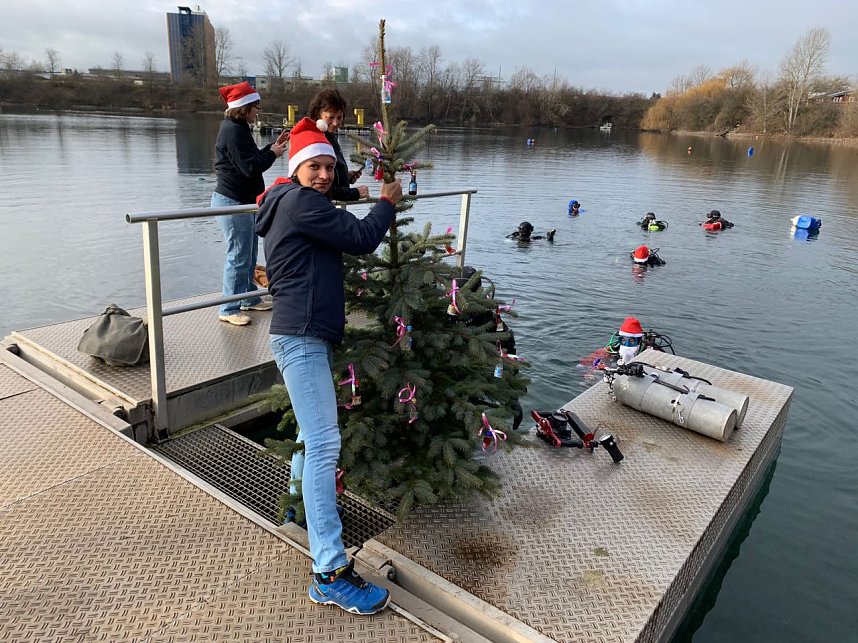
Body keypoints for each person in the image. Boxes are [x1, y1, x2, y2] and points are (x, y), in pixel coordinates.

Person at [256, 117, 402, 615]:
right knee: (324, 444)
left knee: (308, 432)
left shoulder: (284, 201)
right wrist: (387, 201)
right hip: (300, 337)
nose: (322, 175)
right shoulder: (302, 203)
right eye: (313, 166)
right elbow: (362, 238)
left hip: (299, 332)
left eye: (327, 166)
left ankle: (299, 507)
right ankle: (330, 572)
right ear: (296, 168)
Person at [213, 81, 288, 326]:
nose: (258, 111)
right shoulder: (232, 130)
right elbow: (249, 167)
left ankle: (247, 298)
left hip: (243, 202)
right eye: (256, 106)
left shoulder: (239, 127)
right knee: (238, 254)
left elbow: (252, 157)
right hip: (232, 202)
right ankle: (228, 307)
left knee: (249, 252)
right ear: (244, 107)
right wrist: (273, 154)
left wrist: (271, 148)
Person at [307, 88, 369, 202]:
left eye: (339, 118)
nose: (335, 123)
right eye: (330, 117)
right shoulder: (314, 142)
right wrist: (353, 193)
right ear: (318, 115)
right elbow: (317, 186)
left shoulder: (330, 137)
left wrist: (344, 176)